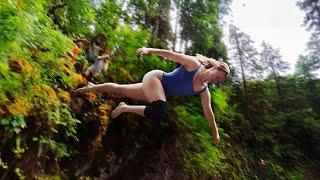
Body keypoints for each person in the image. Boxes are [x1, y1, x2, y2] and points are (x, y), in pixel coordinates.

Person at [75, 47, 230, 144]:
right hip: (155, 78)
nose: (218, 80)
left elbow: (208, 112)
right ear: (216, 67)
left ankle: (93, 87)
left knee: (120, 89)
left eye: (221, 80)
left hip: (157, 91)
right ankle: (125, 107)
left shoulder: (203, 90)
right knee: (160, 110)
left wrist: (215, 132)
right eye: (219, 75)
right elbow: (171, 54)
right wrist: (149, 50)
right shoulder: (194, 64)